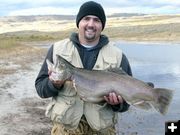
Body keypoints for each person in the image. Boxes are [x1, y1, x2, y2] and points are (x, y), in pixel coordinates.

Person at [35, 1, 133, 135]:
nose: (91, 24)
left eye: (97, 20)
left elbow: (127, 103)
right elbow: (41, 89)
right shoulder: (57, 50)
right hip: (64, 129)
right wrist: (53, 84)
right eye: (86, 19)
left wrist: (117, 103)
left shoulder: (118, 56)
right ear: (78, 23)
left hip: (102, 130)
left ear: (102, 25)